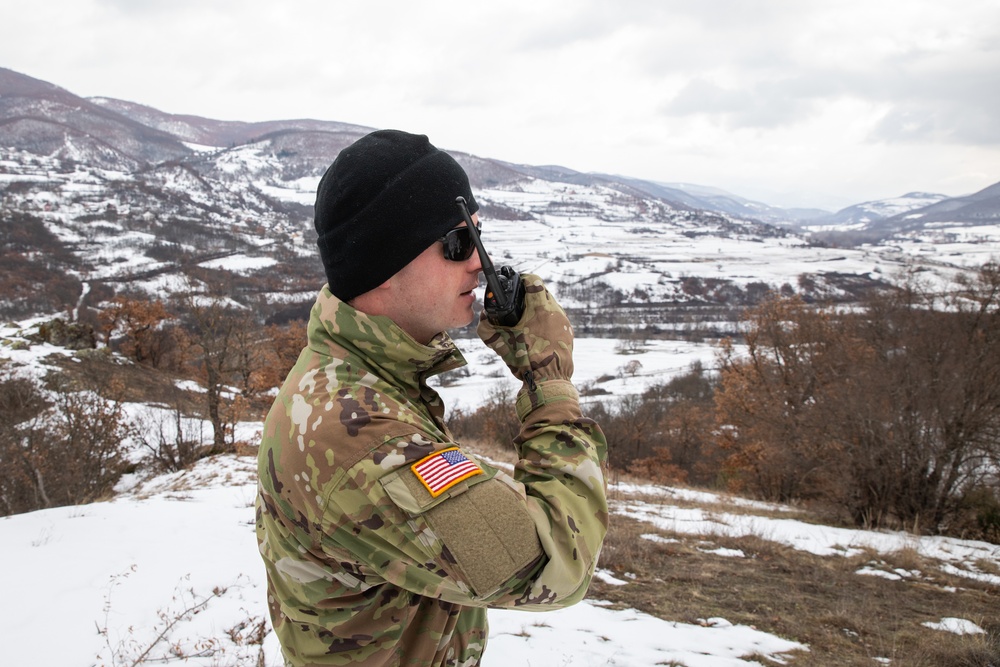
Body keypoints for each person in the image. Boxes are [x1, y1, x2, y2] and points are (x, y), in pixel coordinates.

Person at [255, 129, 608, 666]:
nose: (478, 263)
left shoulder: (352, 374)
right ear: (383, 265)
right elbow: (561, 561)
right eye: (456, 244)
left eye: (478, 237)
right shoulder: (365, 441)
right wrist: (547, 379)